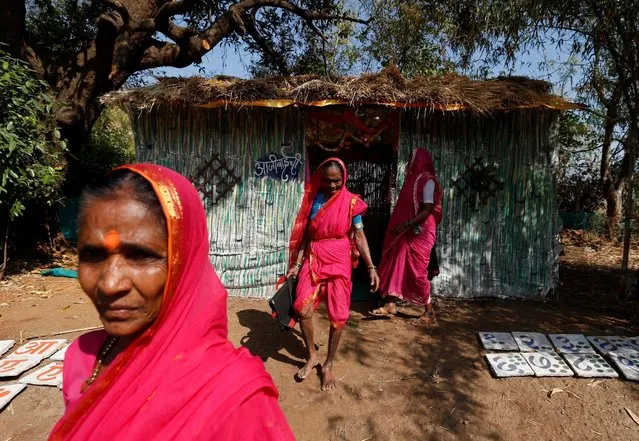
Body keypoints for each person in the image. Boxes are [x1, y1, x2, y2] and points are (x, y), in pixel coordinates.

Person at [49, 165, 295, 441]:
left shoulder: (234, 401)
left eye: (141, 256)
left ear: (185, 261)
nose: (109, 284)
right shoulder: (82, 357)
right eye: (93, 254)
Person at [286, 158, 379, 391]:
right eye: (327, 181)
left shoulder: (350, 202)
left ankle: (328, 364)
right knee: (302, 307)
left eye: (337, 181)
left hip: (339, 258)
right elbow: (307, 234)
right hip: (314, 255)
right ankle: (312, 356)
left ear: (343, 178)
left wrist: (371, 267)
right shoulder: (314, 199)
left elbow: (359, 236)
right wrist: (297, 263)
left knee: (338, 315)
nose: (332, 186)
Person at [372, 148, 443, 327]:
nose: (410, 161)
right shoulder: (412, 181)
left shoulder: (427, 181)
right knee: (396, 262)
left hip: (420, 231)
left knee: (417, 271)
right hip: (408, 230)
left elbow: (427, 209)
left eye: (412, 158)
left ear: (420, 160)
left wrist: (406, 225)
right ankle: (390, 304)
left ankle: (430, 312)